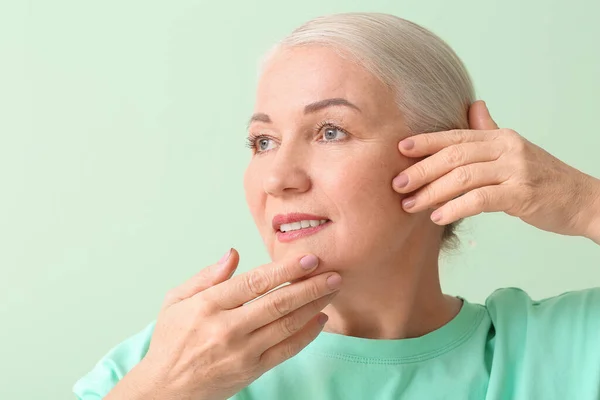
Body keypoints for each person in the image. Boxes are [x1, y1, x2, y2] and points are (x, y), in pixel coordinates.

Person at [73, 12, 600, 400]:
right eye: (262, 141)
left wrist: (582, 201)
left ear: (447, 155)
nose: (277, 178)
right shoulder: (179, 357)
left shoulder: (562, 350)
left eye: (330, 131)